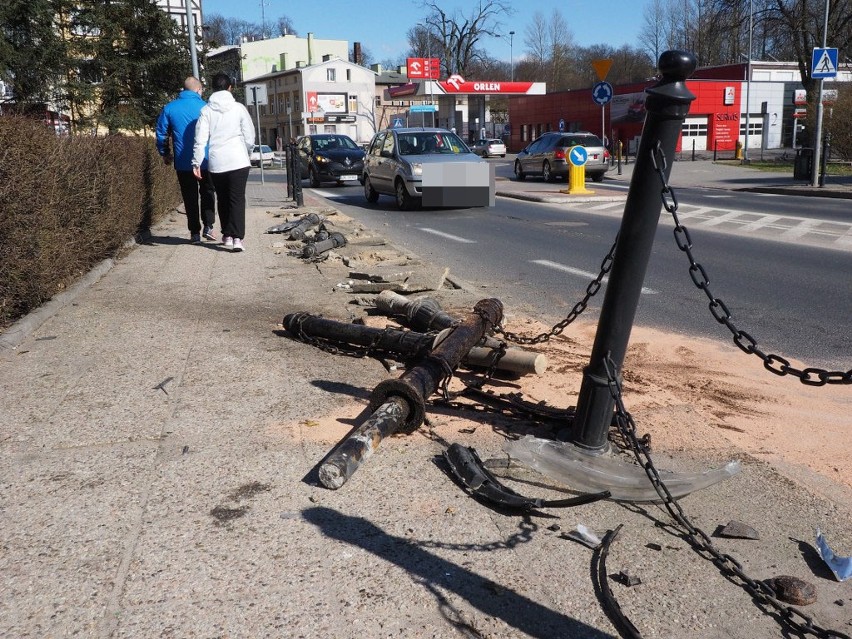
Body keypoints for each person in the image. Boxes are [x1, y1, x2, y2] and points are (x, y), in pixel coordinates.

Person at [192, 73, 255, 253]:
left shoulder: (206, 111)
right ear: (230, 87)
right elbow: (249, 136)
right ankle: (237, 239)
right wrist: (247, 152)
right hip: (238, 160)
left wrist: (196, 163)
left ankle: (227, 235)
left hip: (217, 162)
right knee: (237, 198)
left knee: (223, 198)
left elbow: (200, 139)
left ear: (212, 88)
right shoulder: (239, 108)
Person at [156, 76, 217, 244]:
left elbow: (161, 133)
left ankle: (194, 233)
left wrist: (165, 152)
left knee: (189, 196)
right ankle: (209, 226)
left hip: (183, 162)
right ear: (198, 89)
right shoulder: (206, 107)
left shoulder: (169, 108)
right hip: (205, 160)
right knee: (208, 192)